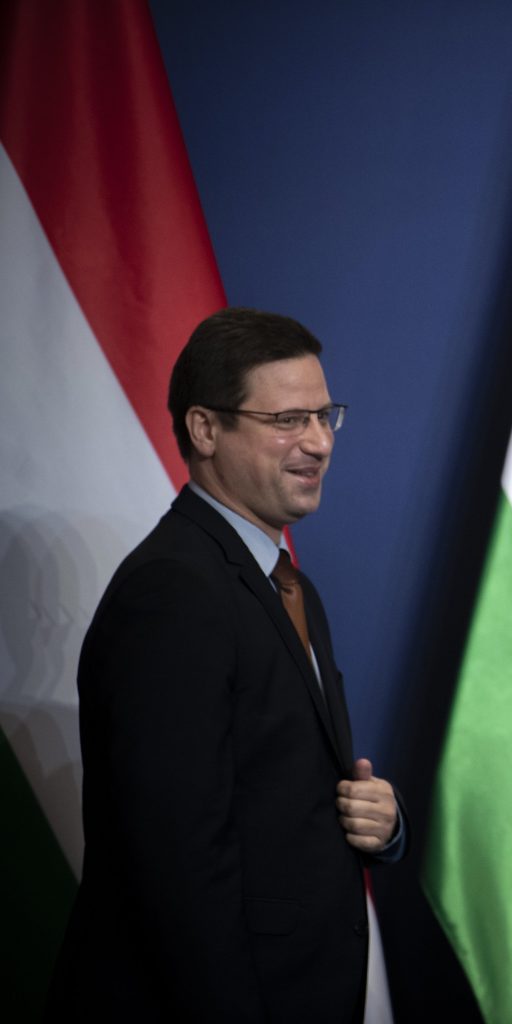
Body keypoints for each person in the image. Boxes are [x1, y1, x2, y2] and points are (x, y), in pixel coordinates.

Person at [47, 307, 404, 1023]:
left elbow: (280, 792)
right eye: (288, 420)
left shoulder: (287, 586)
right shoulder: (173, 591)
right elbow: (177, 866)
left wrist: (381, 824)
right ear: (205, 429)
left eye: (324, 415)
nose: (319, 441)